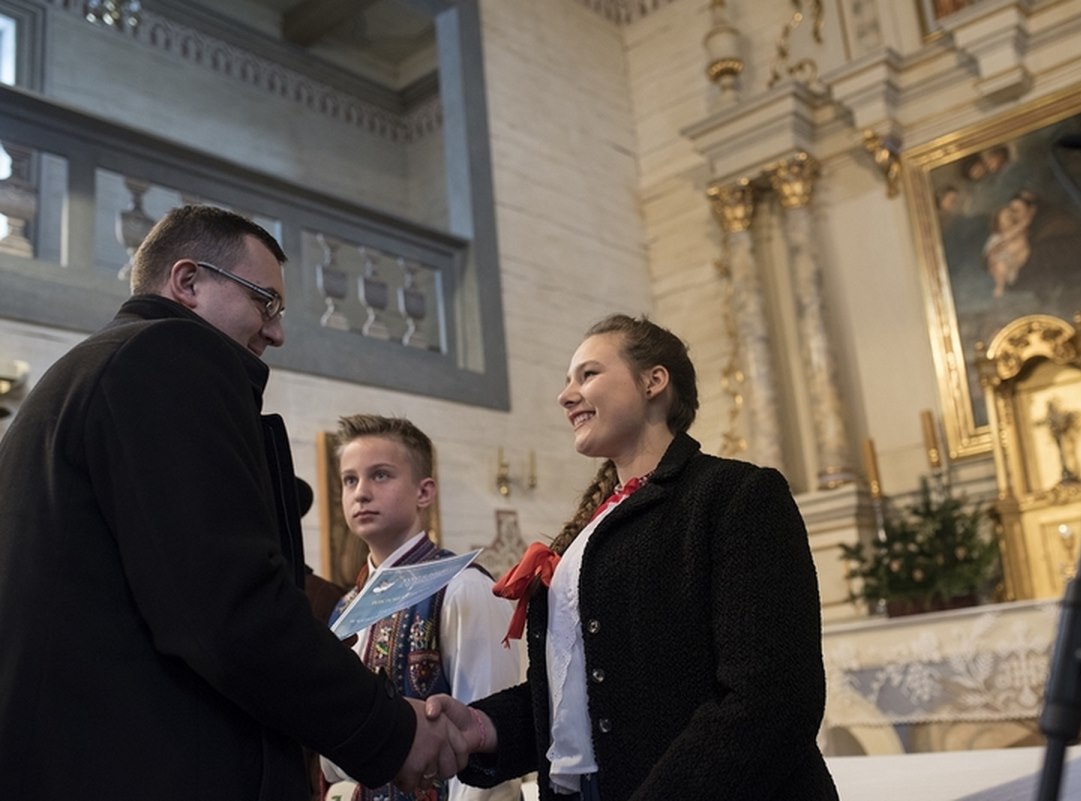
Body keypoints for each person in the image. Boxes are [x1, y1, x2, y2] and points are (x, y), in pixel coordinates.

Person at [0, 205, 467, 799]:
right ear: (188, 281)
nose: (276, 332)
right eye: (264, 302)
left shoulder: (90, 370)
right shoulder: (167, 356)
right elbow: (229, 607)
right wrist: (391, 733)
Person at [427, 314, 839, 801]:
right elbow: (578, 697)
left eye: (588, 374)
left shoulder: (734, 494)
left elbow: (772, 697)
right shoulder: (593, 526)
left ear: (653, 381)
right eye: (567, 380)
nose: (565, 396)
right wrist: (481, 727)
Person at [320, 414, 522, 801]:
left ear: (424, 492)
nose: (361, 493)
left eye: (380, 475)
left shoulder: (462, 587)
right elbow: (332, 755)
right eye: (349, 480)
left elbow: (487, 740)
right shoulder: (345, 610)